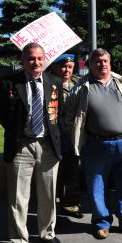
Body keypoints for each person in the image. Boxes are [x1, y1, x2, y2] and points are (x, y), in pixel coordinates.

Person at [64, 48, 122, 239]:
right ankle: (102, 223)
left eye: (105, 61)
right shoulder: (81, 86)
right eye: (97, 61)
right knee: (97, 187)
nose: (101, 64)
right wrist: (78, 135)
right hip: (96, 146)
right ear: (90, 65)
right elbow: (68, 114)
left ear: (110, 63)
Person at [0, 43, 63, 243]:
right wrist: (17, 131)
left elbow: (59, 113)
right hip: (21, 145)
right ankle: (18, 239)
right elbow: (2, 113)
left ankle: (47, 233)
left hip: (48, 146)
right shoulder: (9, 82)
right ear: (23, 60)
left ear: (45, 60)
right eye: (31, 59)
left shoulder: (55, 82)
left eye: (40, 59)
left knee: (48, 194)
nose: (36, 63)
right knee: (18, 196)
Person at [50, 54, 83, 219]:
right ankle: (50, 206)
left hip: (71, 135)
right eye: (63, 66)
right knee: (52, 173)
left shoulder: (78, 84)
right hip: (53, 134)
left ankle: (70, 204)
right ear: (55, 67)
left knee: (71, 170)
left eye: (70, 67)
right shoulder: (48, 84)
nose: (66, 70)